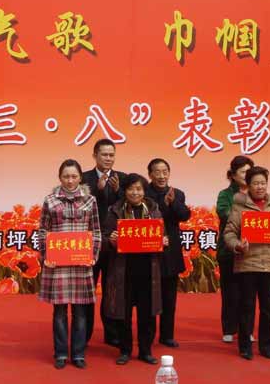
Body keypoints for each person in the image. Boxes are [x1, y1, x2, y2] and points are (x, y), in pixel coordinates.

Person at [38, 159, 101, 369]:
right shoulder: (50, 201)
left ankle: (79, 354)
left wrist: (93, 255)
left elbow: (96, 231)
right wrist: (46, 255)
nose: (70, 180)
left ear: (80, 177)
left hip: (81, 263)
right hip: (58, 265)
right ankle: (61, 354)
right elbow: (43, 230)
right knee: (59, 312)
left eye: (74, 176)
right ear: (60, 178)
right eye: (66, 176)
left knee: (81, 312)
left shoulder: (90, 200)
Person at [224, 166, 270, 360]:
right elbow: (229, 233)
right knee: (247, 306)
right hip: (247, 263)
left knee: (267, 308)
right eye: (256, 183)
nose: (260, 187)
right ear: (248, 185)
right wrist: (237, 245)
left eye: (263, 183)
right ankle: (245, 346)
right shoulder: (239, 208)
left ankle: (266, 346)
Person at [103, 173, 169, 365]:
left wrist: (164, 241)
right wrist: (111, 240)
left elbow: (162, 234)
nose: (135, 193)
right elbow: (105, 237)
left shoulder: (154, 210)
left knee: (147, 313)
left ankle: (145, 351)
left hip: (148, 270)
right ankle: (125, 350)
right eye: (131, 189)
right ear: (124, 191)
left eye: (139, 189)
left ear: (144, 191)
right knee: (123, 313)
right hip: (123, 270)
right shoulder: (115, 210)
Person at [81, 138, 126, 347]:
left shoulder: (123, 179)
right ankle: (84, 335)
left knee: (112, 291)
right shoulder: (83, 178)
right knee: (87, 291)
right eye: (104, 154)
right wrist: (97, 191)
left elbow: (130, 203)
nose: (108, 158)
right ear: (95, 156)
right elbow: (80, 207)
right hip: (89, 243)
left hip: (114, 244)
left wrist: (118, 192)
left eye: (111, 155)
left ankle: (112, 334)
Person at [145, 158, 191, 348]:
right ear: (150, 174)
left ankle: (167, 335)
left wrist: (173, 203)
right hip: (148, 252)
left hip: (170, 253)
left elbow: (184, 215)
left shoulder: (177, 193)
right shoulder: (143, 192)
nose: (162, 176)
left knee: (169, 298)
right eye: (157, 172)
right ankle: (147, 336)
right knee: (148, 298)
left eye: (165, 171)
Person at [215, 155, 253, 343]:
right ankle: (229, 328)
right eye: (243, 172)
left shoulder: (257, 193)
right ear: (233, 174)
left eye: (249, 172)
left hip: (252, 251)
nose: (247, 175)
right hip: (228, 250)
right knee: (230, 291)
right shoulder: (225, 195)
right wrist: (249, 218)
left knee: (249, 293)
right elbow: (224, 213)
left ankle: (247, 330)